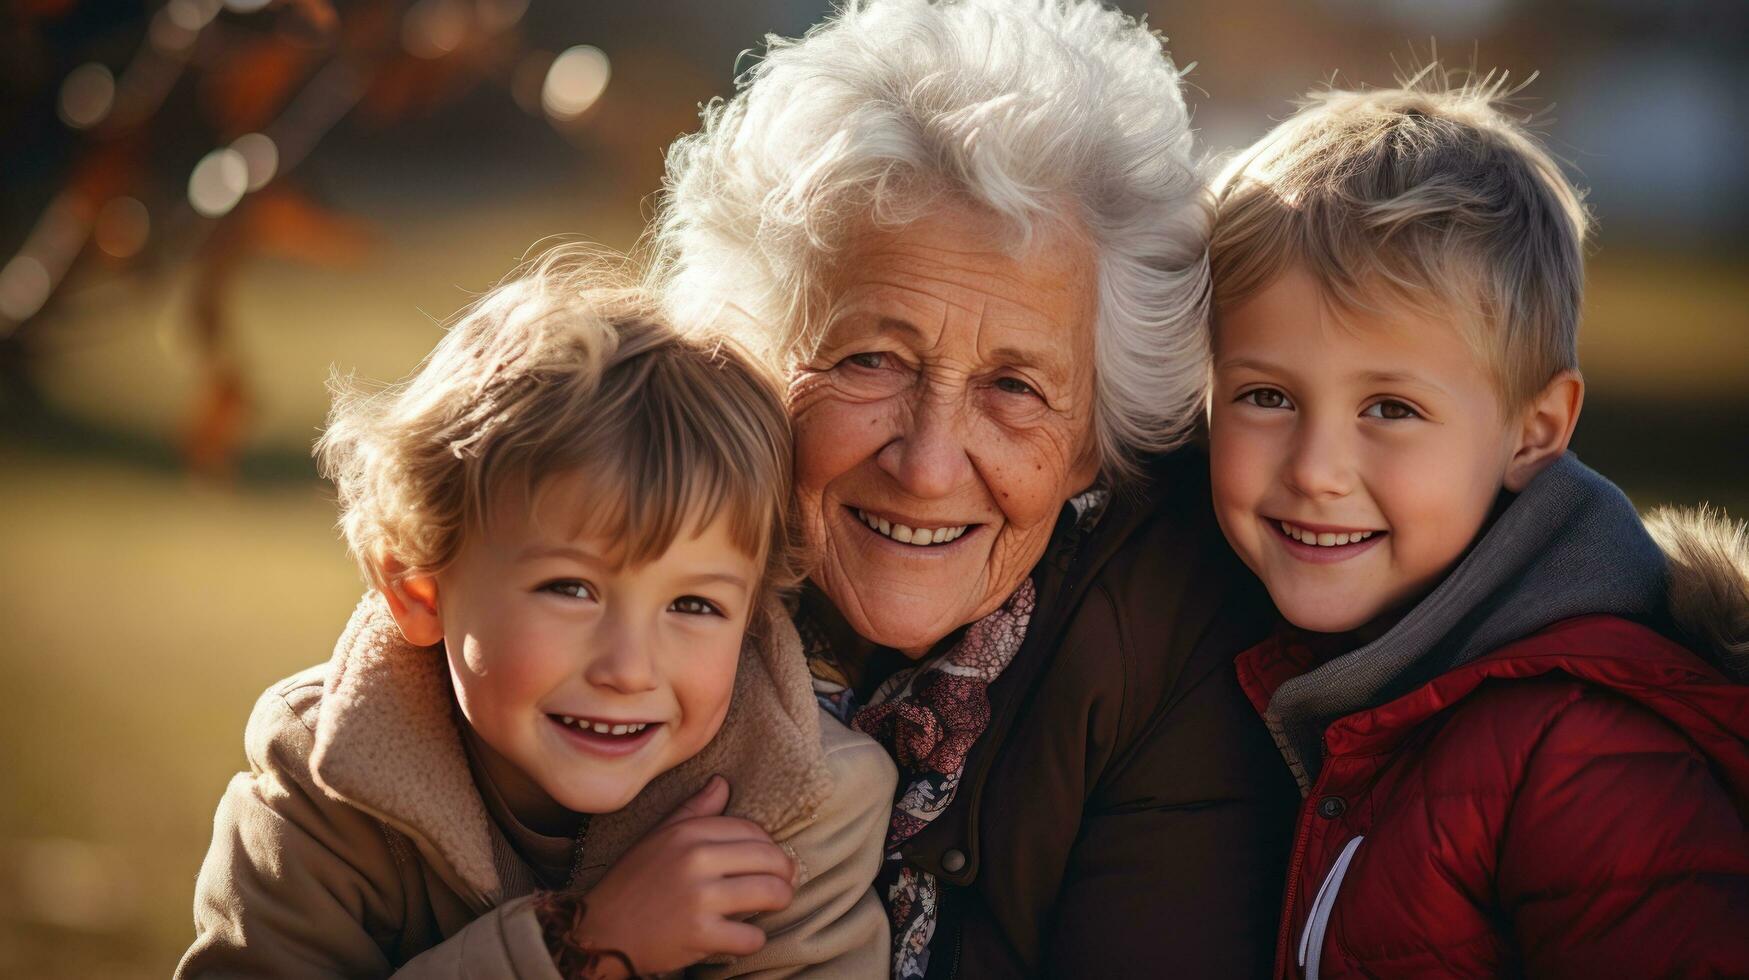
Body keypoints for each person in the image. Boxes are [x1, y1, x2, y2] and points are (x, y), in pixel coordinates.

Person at [651, 0, 1299, 975]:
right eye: (872, 358)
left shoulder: (1178, 642)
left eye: (1015, 387)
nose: (927, 463)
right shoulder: (614, 552)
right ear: (753, 362)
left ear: (1094, 443)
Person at [178, 254, 897, 978]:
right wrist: (577, 949)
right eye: (570, 590)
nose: (628, 668)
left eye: (693, 604)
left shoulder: (805, 805)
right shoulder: (321, 778)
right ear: (416, 587)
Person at [1205, 70, 1749, 978]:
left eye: (1389, 409)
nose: (1314, 470)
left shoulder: (1589, 757)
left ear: (1533, 431)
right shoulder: (1267, 657)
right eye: (1265, 396)